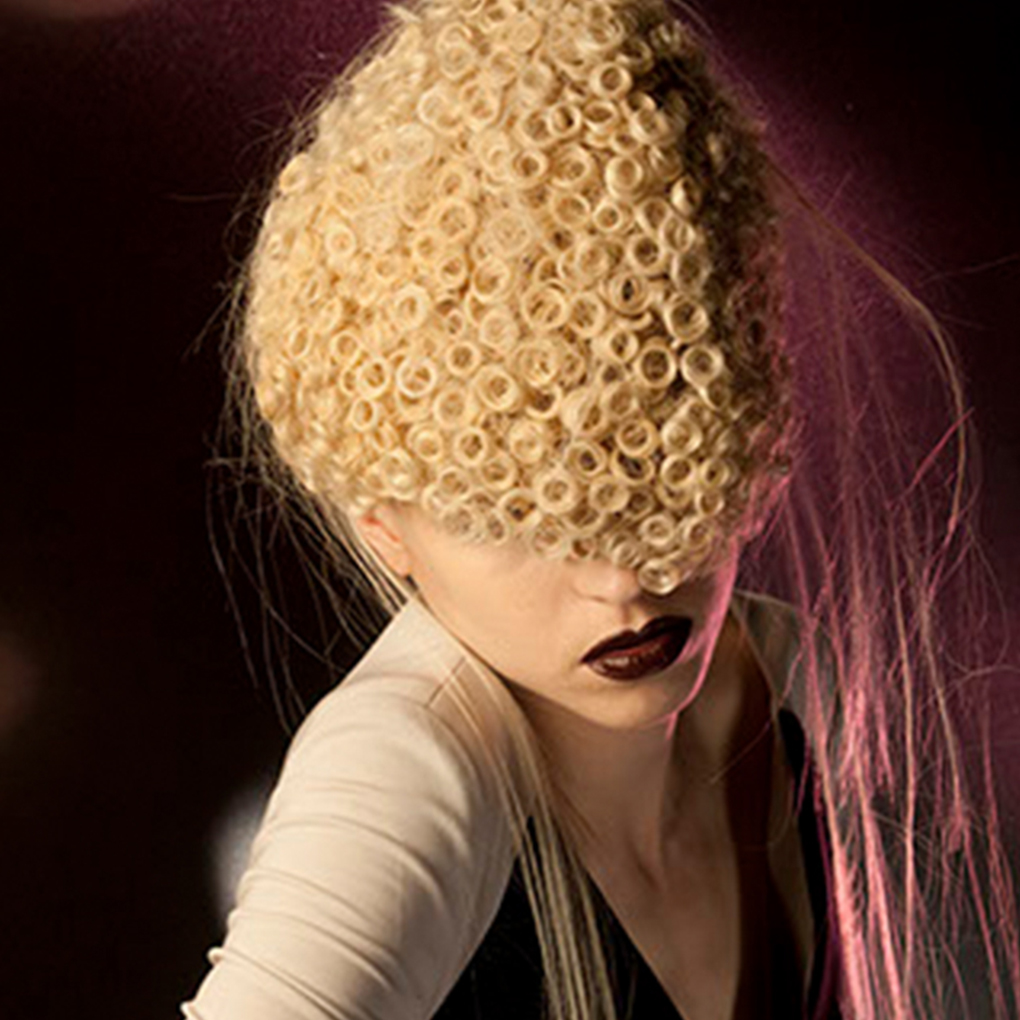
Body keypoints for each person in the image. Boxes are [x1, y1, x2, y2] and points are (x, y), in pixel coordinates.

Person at [182, 0, 1020, 1017]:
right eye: (518, 511)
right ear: (383, 526)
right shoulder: (406, 770)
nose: (621, 575)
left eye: (652, 453)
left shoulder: (787, 688)